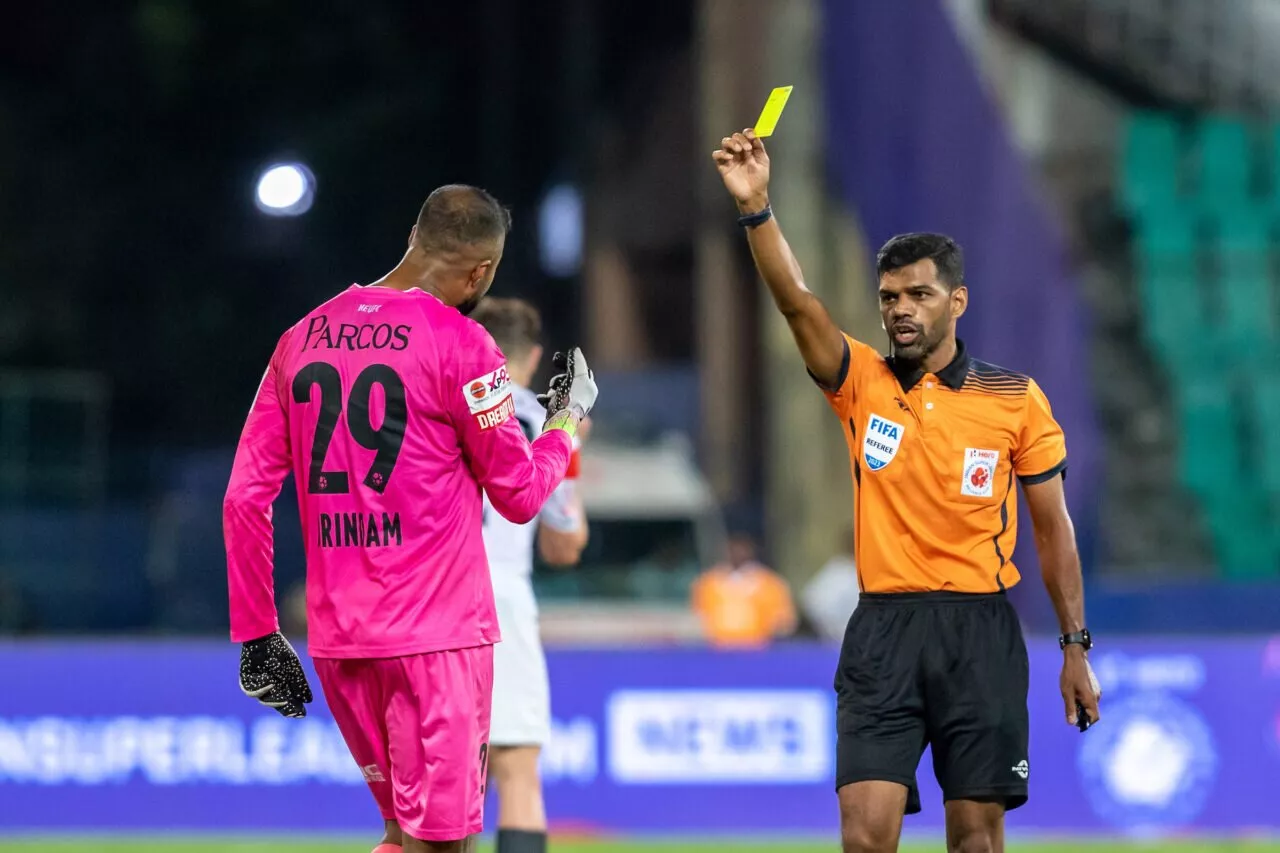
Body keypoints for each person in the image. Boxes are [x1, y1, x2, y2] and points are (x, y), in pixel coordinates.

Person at [713, 130, 1100, 853]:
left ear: (956, 301)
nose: (900, 309)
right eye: (889, 296)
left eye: (918, 294)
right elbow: (798, 304)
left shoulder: (1015, 398)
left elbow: (1054, 529)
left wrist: (1075, 644)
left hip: (979, 632)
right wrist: (757, 209)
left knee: (976, 841)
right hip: (882, 633)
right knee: (864, 839)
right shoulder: (861, 381)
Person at [223, 184, 599, 853]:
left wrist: (258, 634)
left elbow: (246, 497)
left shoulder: (299, 338)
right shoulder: (464, 344)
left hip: (341, 638)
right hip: (439, 639)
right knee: (442, 842)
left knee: (404, 833)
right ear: (481, 272)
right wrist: (564, 425)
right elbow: (517, 493)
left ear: (412, 237)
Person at [469, 298, 590, 853]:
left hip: (427, 596)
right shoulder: (543, 420)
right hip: (502, 596)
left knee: (442, 779)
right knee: (515, 770)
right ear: (534, 355)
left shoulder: (435, 408)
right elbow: (565, 544)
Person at [690, 532, 796, 648]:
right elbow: (697, 618)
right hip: (717, 650)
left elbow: (784, 623)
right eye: (733, 547)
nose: (737, 552)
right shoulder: (706, 583)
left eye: (742, 547)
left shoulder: (771, 584)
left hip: (758, 650)